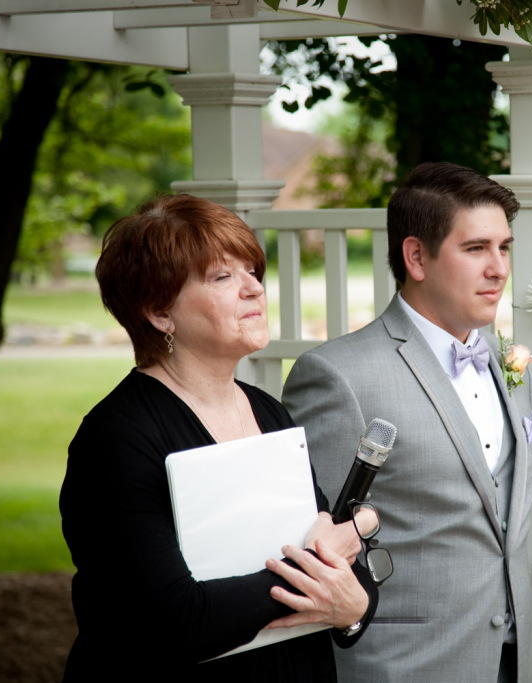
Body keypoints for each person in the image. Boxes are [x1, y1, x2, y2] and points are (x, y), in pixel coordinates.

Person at [59, 194, 378, 682]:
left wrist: (353, 607)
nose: (253, 289)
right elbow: (178, 619)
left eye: (252, 271)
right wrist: (319, 570)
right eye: (222, 277)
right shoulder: (115, 439)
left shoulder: (270, 412)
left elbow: (352, 579)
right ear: (160, 313)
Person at [282, 162, 532, 683]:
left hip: (516, 661)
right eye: (476, 249)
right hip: (405, 666)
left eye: (504, 247)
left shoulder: (509, 364)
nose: (498, 268)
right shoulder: (338, 377)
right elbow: (317, 551)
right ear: (416, 256)